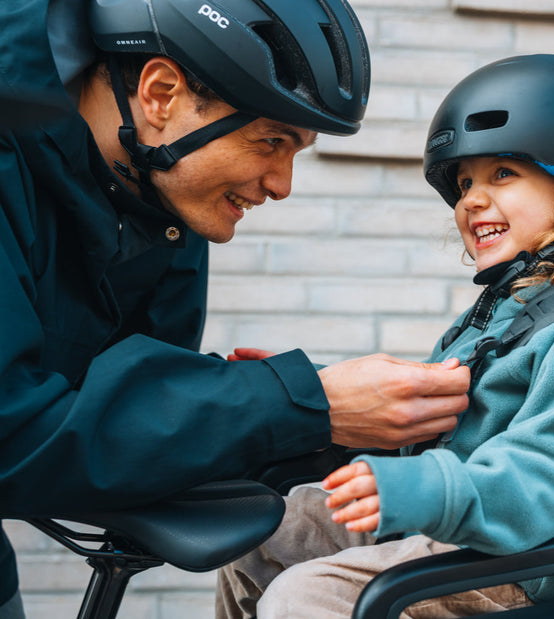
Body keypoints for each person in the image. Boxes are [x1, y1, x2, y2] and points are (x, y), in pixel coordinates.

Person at [0, 1, 470, 616]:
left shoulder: (159, 188)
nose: (282, 184)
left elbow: (136, 414)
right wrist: (301, 401)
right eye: (270, 141)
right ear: (161, 93)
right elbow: (13, 434)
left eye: (296, 150)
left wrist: (336, 421)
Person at [216, 53, 554, 618]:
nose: (470, 198)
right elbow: (436, 410)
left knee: (308, 595)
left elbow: (553, 473)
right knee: (262, 532)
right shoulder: (505, 307)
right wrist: (315, 391)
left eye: (503, 173)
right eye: (466, 181)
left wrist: (428, 489)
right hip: (457, 528)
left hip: (516, 562)